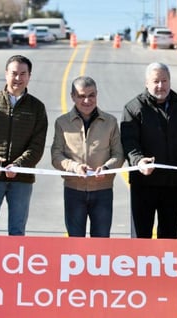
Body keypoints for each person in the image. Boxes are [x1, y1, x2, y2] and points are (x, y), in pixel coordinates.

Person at [0, 55, 48, 235]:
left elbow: (37, 145)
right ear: (6, 74)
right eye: (14, 73)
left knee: (17, 231)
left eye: (23, 74)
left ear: (29, 76)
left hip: (22, 179)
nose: (18, 78)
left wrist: (20, 165)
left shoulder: (37, 107)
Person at [121, 62, 177, 239]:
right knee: (141, 237)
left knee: (169, 238)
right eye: (156, 81)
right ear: (147, 82)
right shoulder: (133, 108)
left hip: (172, 185)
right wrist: (139, 161)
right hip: (143, 183)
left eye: (164, 80)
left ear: (170, 81)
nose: (160, 86)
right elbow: (129, 142)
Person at [51, 76, 124, 238]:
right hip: (73, 191)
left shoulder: (110, 122)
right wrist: (74, 167)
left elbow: (118, 154)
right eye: (81, 96)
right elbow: (56, 156)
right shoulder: (62, 123)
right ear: (72, 97)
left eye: (91, 95)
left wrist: (107, 168)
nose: (87, 100)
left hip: (103, 191)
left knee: (101, 240)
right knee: (75, 241)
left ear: (97, 94)